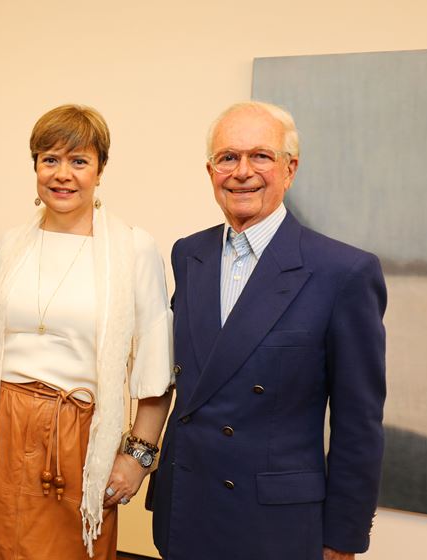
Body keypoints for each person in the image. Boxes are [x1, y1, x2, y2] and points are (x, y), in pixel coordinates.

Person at [148, 101, 387, 560]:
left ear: (290, 168)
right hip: (186, 511)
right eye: (227, 157)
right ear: (210, 169)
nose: (242, 172)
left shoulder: (343, 271)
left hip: (275, 525)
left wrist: (343, 536)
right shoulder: (189, 255)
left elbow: (359, 423)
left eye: (260, 156)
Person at [0, 105, 173, 559]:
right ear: (35, 166)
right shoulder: (9, 244)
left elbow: (156, 369)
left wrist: (138, 460)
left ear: (100, 170)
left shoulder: (133, 248)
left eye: (79, 161)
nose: (63, 175)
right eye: (49, 159)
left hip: (77, 436)